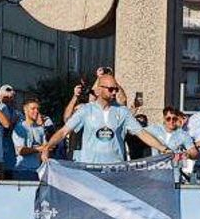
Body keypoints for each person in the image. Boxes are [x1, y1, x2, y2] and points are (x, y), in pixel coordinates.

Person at [39, 70, 170, 164]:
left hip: (115, 168)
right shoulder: (86, 110)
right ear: (100, 89)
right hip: (90, 168)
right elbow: (63, 132)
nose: (114, 92)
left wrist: (163, 149)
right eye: (110, 89)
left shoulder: (123, 112)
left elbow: (142, 133)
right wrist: (47, 147)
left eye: (116, 89)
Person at [10, 99, 53, 180]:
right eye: (33, 109)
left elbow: (45, 149)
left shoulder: (40, 129)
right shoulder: (20, 128)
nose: (36, 111)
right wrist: (39, 149)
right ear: (25, 110)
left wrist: (45, 155)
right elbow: (20, 150)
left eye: (37, 109)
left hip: (37, 171)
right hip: (22, 171)